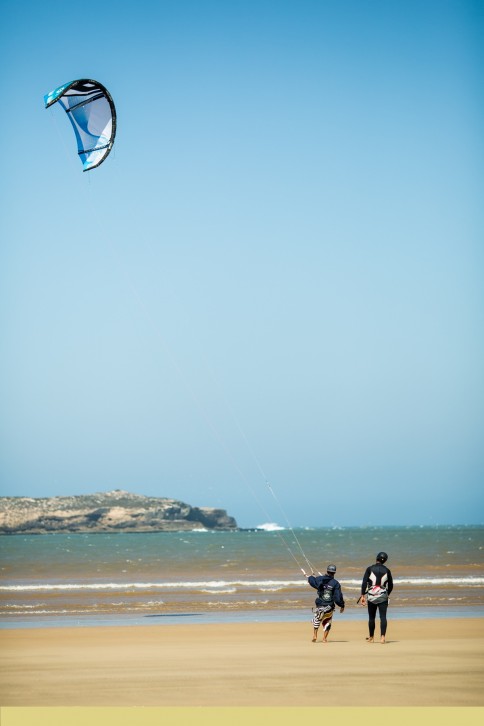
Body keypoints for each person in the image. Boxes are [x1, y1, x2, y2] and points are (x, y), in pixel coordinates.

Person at [360, 551, 393, 644]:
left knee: (371, 617)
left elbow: (364, 583)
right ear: (385, 561)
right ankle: (382, 637)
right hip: (383, 596)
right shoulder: (387, 570)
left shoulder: (369, 569)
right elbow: (391, 585)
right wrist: (387, 594)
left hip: (371, 596)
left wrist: (362, 595)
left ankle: (371, 637)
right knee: (383, 617)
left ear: (376, 558)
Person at [307, 564, 345, 643]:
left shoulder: (320, 579)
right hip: (329, 606)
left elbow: (312, 582)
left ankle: (315, 635)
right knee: (328, 621)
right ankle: (324, 638)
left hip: (320, 604)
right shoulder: (336, 583)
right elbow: (338, 597)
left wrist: (311, 577)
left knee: (317, 619)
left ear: (327, 571)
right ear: (334, 573)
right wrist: (342, 605)